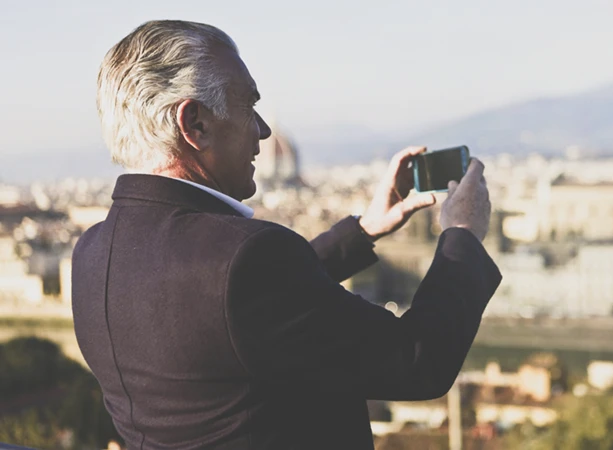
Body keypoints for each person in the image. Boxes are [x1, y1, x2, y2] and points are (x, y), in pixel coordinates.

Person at [72, 20, 501, 450]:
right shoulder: (246, 258)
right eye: (248, 106)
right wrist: (462, 234)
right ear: (195, 124)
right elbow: (418, 360)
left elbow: (235, 305)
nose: (262, 129)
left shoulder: (93, 253)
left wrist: (363, 230)